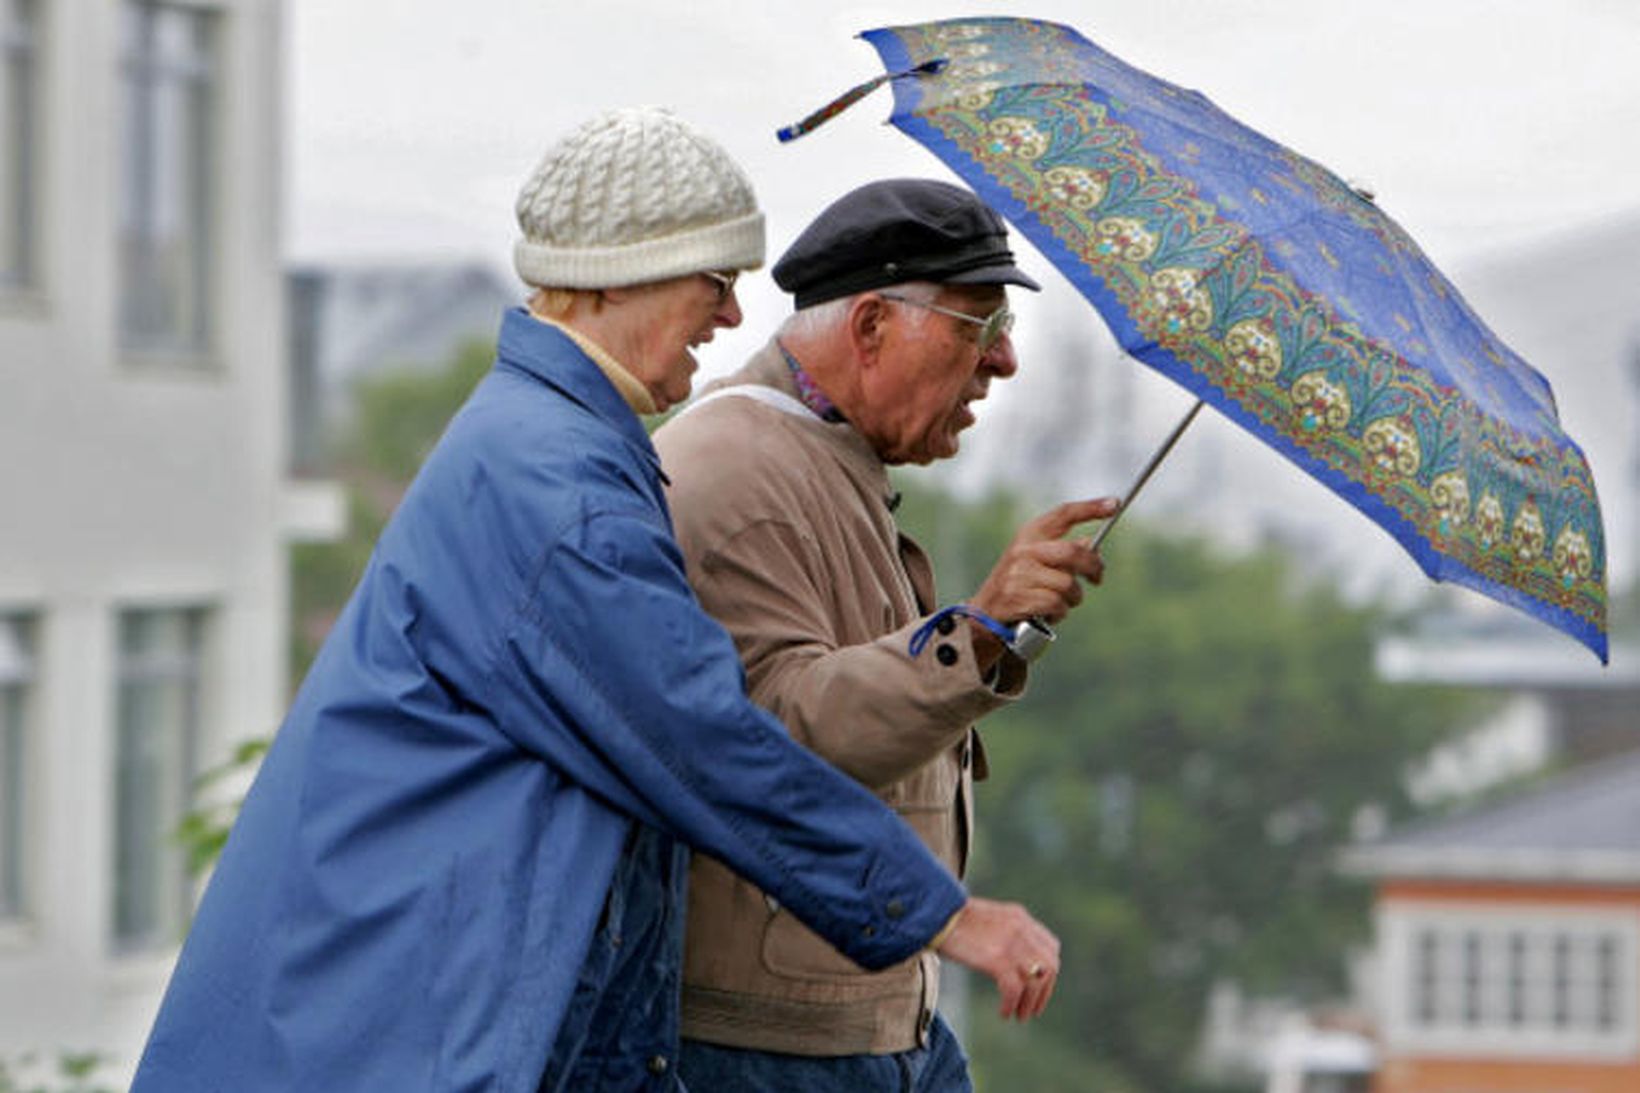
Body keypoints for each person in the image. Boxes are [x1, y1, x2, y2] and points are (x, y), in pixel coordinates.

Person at [131, 113, 1059, 1093]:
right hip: (400, 1022)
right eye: (715, 281)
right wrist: (944, 916)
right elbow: (702, 744)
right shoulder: (559, 488)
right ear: (620, 278)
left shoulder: (552, 439)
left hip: (403, 1005)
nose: (734, 317)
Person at [653, 178, 1121, 1092]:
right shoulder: (735, 472)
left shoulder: (819, 458)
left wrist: (988, 637)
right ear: (871, 327)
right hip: (773, 1050)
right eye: (977, 328)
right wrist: (974, 630)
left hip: (860, 1025)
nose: (1006, 363)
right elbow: (781, 732)